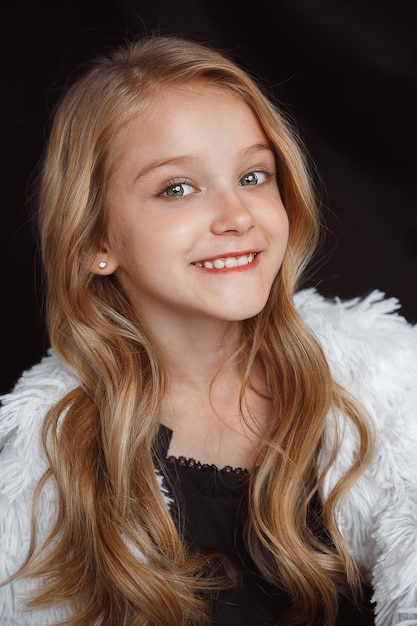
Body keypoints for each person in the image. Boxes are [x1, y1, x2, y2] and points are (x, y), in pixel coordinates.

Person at [0, 34, 416, 626]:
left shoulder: (391, 385)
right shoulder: (43, 471)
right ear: (96, 240)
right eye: (178, 188)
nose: (237, 215)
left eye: (253, 176)